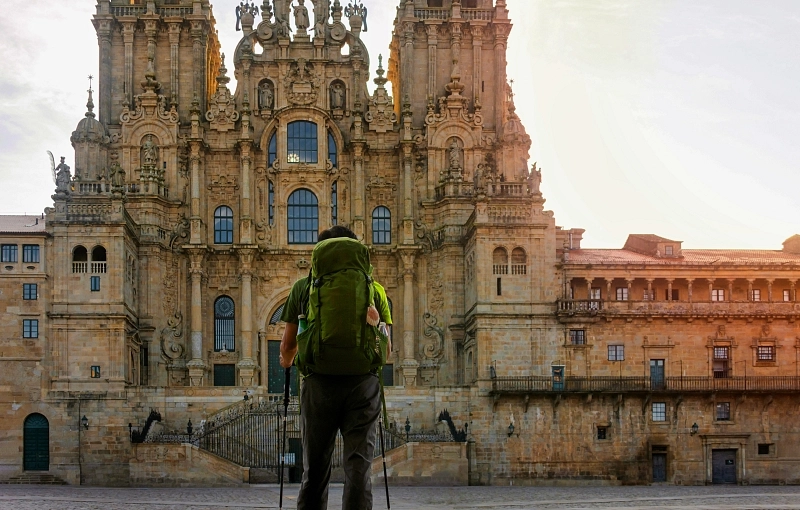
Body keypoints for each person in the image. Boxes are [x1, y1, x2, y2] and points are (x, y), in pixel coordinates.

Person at [280, 225, 391, 510]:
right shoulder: (375, 290)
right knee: (359, 471)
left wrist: (287, 361)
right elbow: (386, 350)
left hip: (319, 385)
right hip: (364, 387)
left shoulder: (302, 287)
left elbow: (288, 346)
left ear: (320, 252)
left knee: (315, 471)